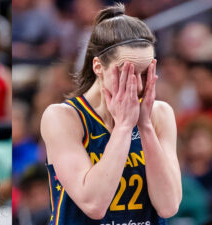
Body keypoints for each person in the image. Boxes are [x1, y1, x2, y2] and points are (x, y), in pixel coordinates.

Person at [41, 4, 181, 225]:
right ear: (98, 66)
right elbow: (94, 204)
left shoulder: (160, 114)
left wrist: (144, 126)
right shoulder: (63, 117)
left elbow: (168, 206)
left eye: (145, 74)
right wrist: (124, 127)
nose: (136, 85)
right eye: (126, 72)